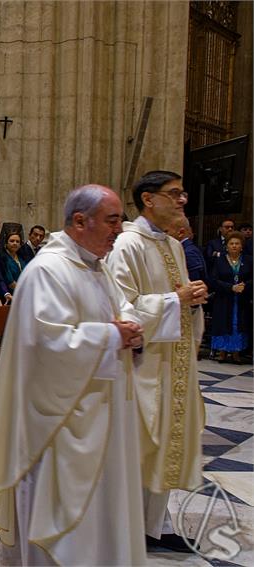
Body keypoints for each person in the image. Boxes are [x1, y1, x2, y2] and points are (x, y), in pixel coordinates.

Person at [0, 184, 147, 566]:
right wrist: (111, 335)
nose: (119, 229)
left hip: (100, 421)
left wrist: (134, 331)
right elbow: (45, 344)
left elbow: (123, 309)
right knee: (58, 530)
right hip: (55, 429)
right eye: (112, 220)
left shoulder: (97, 268)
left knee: (101, 518)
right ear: (79, 221)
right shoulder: (47, 271)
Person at [106, 170, 207, 552]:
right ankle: (127, 525)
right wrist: (174, 300)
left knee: (165, 444)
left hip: (174, 362)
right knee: (140, 445)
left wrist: (191, 300)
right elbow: (121, 307)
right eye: (175, 194)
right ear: (149, 199)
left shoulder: (175, 246)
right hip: (143, 366)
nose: (182, 200)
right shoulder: (127, 245)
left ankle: (154, 524)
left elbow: (178, 299)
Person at [210, 231, 251, 363]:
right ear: (226, 246)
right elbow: (214, 280)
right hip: (223, 298)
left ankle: (236, 352)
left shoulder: (249, 260)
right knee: (223, 322)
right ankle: (222, 352)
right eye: (231, 243)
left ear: (241, 246)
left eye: (237, 243)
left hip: (241, 299)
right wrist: (230, 287)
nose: (234, 246)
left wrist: (245, 285)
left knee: (238, 323)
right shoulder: (219, 260)